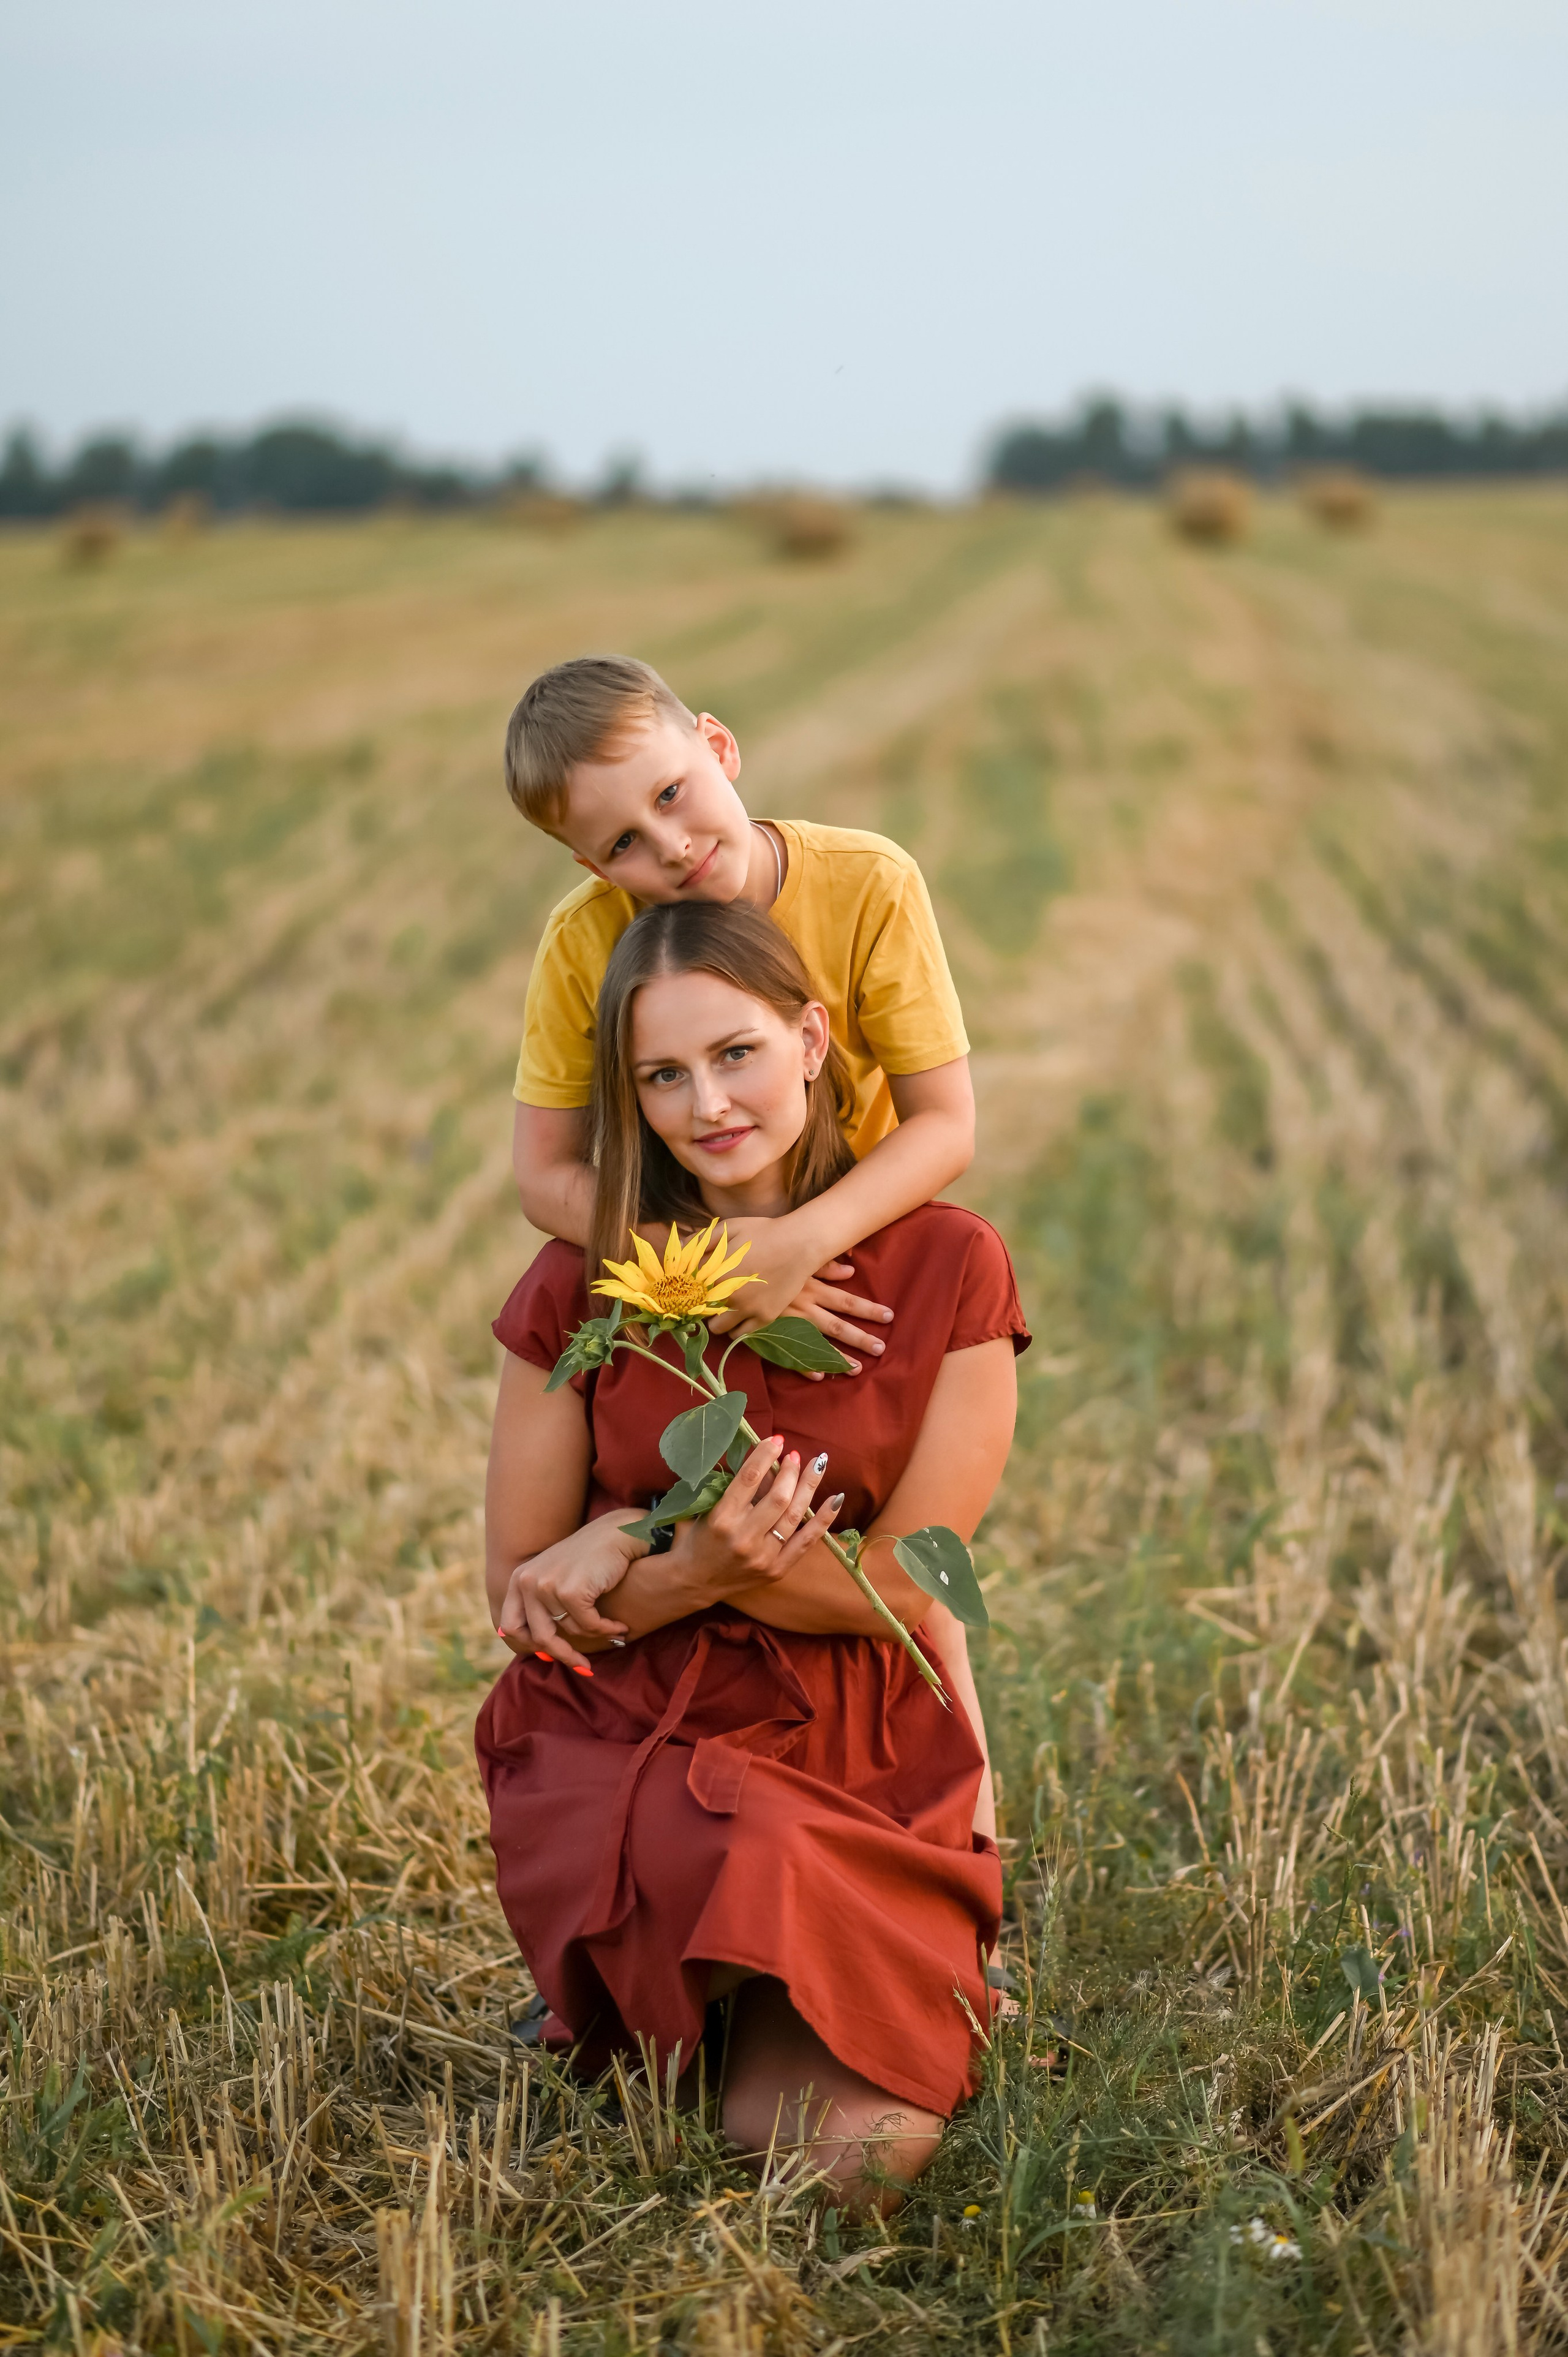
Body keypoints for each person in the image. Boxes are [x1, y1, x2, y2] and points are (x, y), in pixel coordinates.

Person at [475, 900, 1030, 2211]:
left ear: (813, 1041)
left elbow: (905, 1584)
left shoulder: (949, 1266)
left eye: (736, 1053)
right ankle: (660, 1986)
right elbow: (522, 1596)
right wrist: (685, 1569)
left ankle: (735, 1995)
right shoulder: (582, 1287)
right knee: (730, 1841)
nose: (707, 1104)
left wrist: (644, 1538)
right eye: (662, 1075)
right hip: (634, 1730)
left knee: (848, 2166)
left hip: (860, 1741)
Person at [503, 654, 974, 1370]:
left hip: (853, 1237)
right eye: (624, 843)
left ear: (719, 746)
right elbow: (545, 1175)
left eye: (669, 793)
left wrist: (797, 1245)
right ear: (595, 867)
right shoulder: (581, 941)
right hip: (685, 1255)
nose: (673, 847)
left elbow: (944, 1123)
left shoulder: (870, 884)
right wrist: (709, 1266)